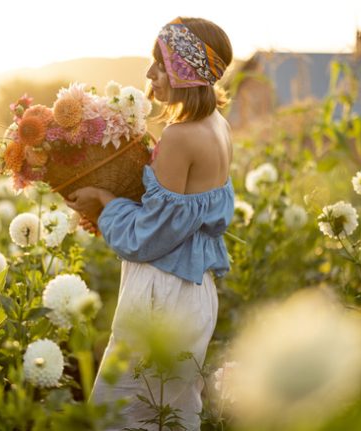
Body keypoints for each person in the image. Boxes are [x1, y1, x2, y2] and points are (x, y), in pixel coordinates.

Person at [65, 16, 234, 430]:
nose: (149, 74)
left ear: (184, 71)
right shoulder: (218, 126)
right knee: (169, 414)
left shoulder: (181, 136)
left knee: (121, 415)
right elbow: (177, 218)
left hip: (164, 293)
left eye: (159, 64)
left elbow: (149, 237)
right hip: (194, 292)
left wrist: (104, 204)